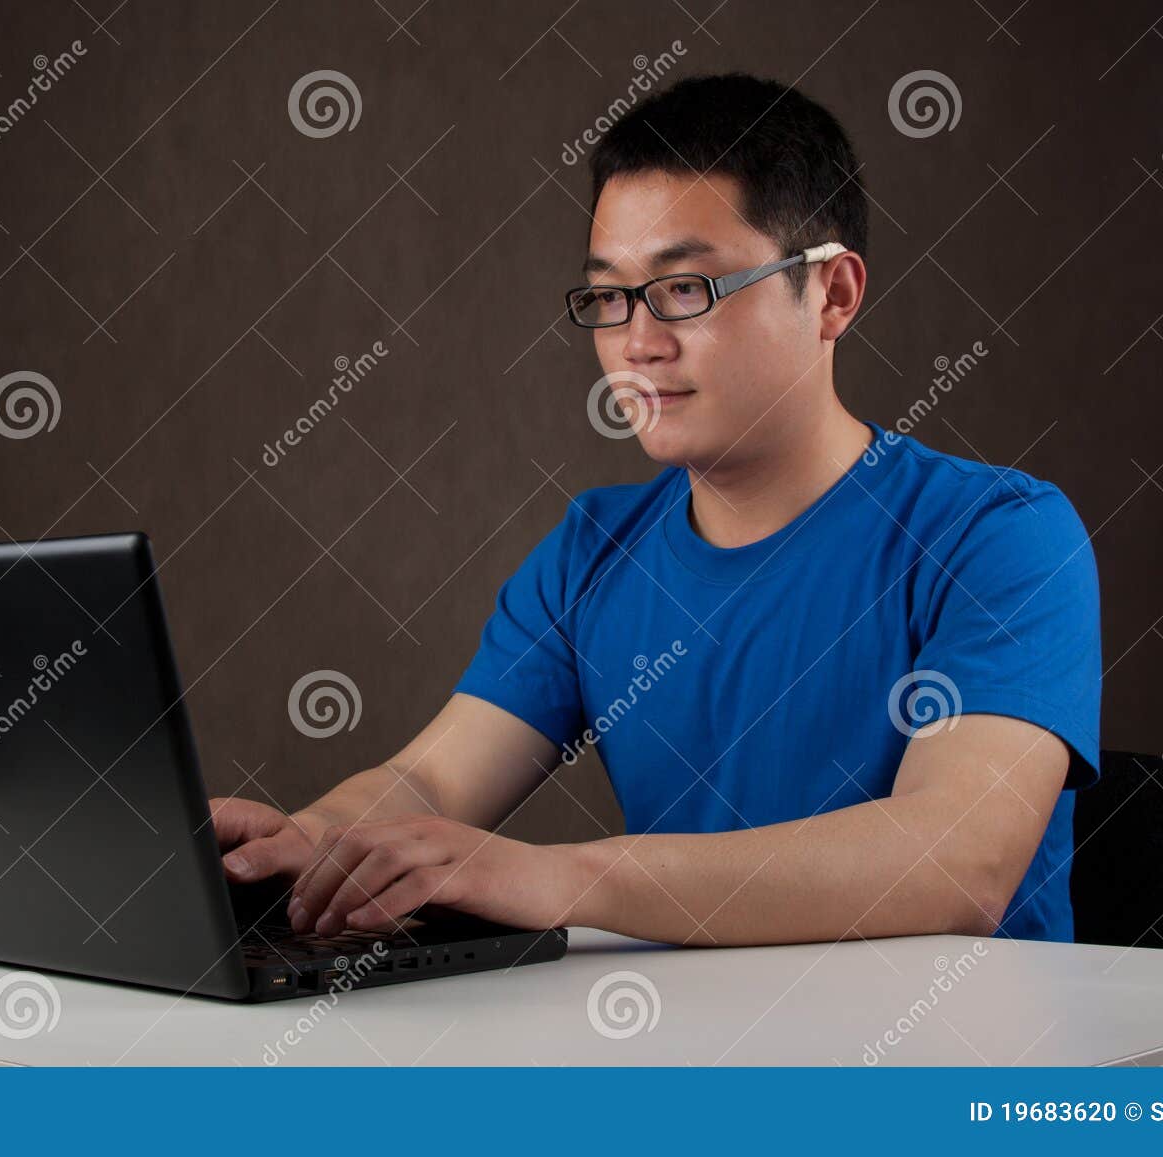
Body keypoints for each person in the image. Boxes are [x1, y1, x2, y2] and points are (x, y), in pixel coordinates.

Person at [211, 73, 1101, 946]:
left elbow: (957, 859)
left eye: (686, 289)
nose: (637, 343)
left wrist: (560, 877)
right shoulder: (592, 553)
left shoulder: (999, 535)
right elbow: (431, 783)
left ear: (832, 294)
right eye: (608, 296)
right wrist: (309, 838)